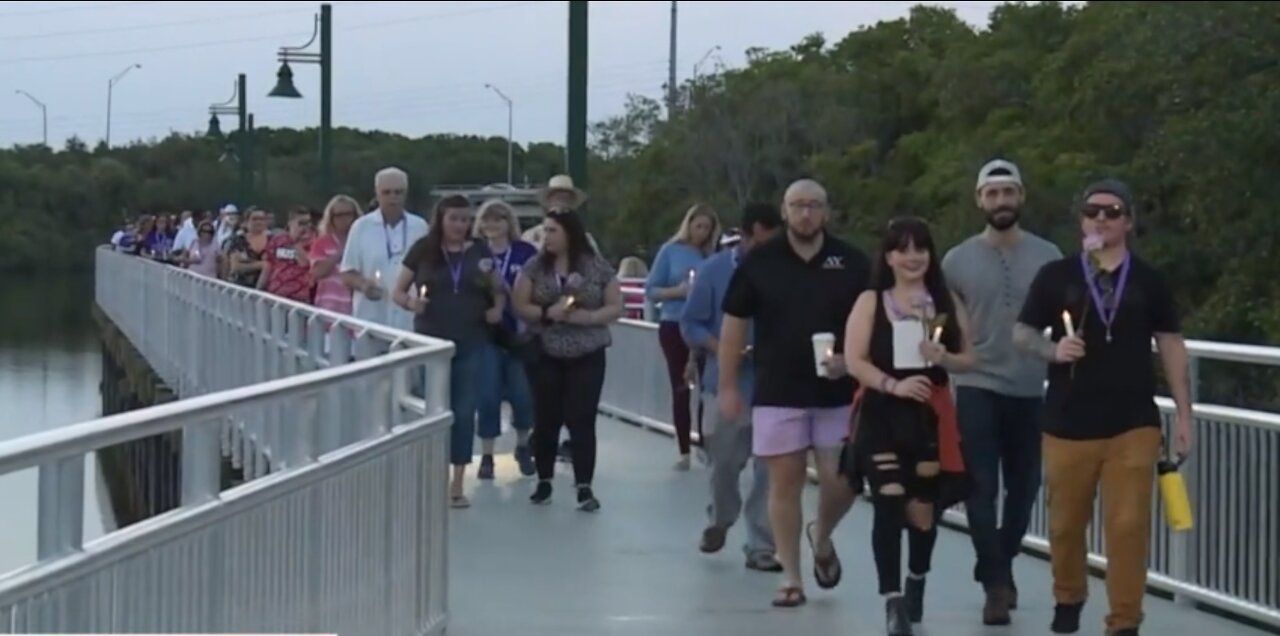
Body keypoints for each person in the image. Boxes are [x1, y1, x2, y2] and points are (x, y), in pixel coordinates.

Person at [1013, 180, 1193, 636]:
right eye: (1092, 211)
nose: (1101, 218)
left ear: (1128, 222)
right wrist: (1053, 352)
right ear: (1082, 221)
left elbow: (1171, 344)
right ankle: (1069, 594)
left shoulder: (1149, 280)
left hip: (1132, 422)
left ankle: (1125, 620)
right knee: (1066, 525)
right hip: (1068, 421)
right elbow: (1022, 334)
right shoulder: (1058, 276)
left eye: (1112, 211)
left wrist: (1185, 413)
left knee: (1129, 525)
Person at [718, 179, 870, 608]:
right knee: (784, 484)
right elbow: (733, 326)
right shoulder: (759, 261)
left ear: (826, 211)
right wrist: (729, 385)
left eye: (815, 205)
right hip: (778, 389)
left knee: (844, 479)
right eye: (798, 205)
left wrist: (853, 360)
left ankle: (820, 537)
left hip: (837, 390)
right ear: (785, 211)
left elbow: (873, 319)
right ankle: (790, 576)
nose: (806, 214)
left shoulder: (853, 261)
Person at [940, 158, 1063, 623]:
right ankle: (995, 586)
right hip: (976, 384)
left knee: (1026, 487)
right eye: (992, 194)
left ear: (1021, 197)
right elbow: (945, 324)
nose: (1001, 202)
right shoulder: (957, 260)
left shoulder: (1049, 256)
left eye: (1008, 193)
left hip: (1031, 386)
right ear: (979, 200)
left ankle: (998, 561)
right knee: (981, 486)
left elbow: (1064, 317)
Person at [844, 216, 976, 635]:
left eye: (920, 248)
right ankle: (892, 600)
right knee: (888, 497)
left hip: (930, 416)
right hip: (882, 412)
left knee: (922, 510)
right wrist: (893, 385)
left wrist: (944, 359)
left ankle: (916, 578)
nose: (912, 257)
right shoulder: (870, 301)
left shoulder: (947, 301)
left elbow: (970, 358)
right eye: (903, 249)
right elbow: (854, 359)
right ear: (889, 256)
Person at [679, 202, 782, 571]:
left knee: (771, 470)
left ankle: (761, 544)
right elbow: (690, 324)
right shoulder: (713, 271)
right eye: (764, 242)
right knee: (723, 462)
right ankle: (720, 518)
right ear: (748, 236)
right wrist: (724, 349)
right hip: (725, 382)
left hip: (774, 385)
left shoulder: (787, 271)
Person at [393, 195, 503, 509]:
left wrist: (496, 308)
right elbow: (398, 291)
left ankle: (457, 482)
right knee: (432, 410)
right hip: (431, 342)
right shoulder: (423, 250)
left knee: (464, 410)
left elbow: (498, 289)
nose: (460, 225)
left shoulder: (480, 252)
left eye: (465, 219)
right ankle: (430, 474)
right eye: (454, 218)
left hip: (470, 340)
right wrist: (412, 303)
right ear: (441, 219)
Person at [511, 209, 624, 512]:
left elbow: (616, 304)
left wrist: (589, 317)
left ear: (569, 234)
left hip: (587, 352)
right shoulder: (534, 267)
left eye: (553, 231)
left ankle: (584, 485)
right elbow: (520, 303)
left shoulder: (595, 267)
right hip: (547, 351)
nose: (546, 237)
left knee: (582, 418)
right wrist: (547, 313)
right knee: (547, 417)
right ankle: (544, 479)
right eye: (545, 231)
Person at [646, 204, 721, 470]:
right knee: (680, 385)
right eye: (697, 226)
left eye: (706, 228)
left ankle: (706, 443)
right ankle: (683, 450)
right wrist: (677, 292)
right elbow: (651, 289)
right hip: (674, 323)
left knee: (708, 386)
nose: (701, 232)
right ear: (688, 225)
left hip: (705, 326)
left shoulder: (713, 255)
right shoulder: (670, 251)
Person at [472, 199, 539, 478]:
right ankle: (487, 454)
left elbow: (538, 284)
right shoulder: (474, 252)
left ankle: (523, 445)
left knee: (522, 395)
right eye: (487, 219)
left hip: (519, 332)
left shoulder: (525, 252)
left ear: (508, 222)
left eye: (499, 219)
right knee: (487, 395)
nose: (492, 224)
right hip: (486, 334)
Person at [340, 167, 430, 331]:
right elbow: (347, 271)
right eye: (386, 192)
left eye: (398, 192)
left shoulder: (420, 226)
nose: (393, 198)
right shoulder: (361, 227)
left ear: (406, 193)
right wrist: (363, 285)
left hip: (408, 319)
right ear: (377, 193)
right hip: (371, 318)